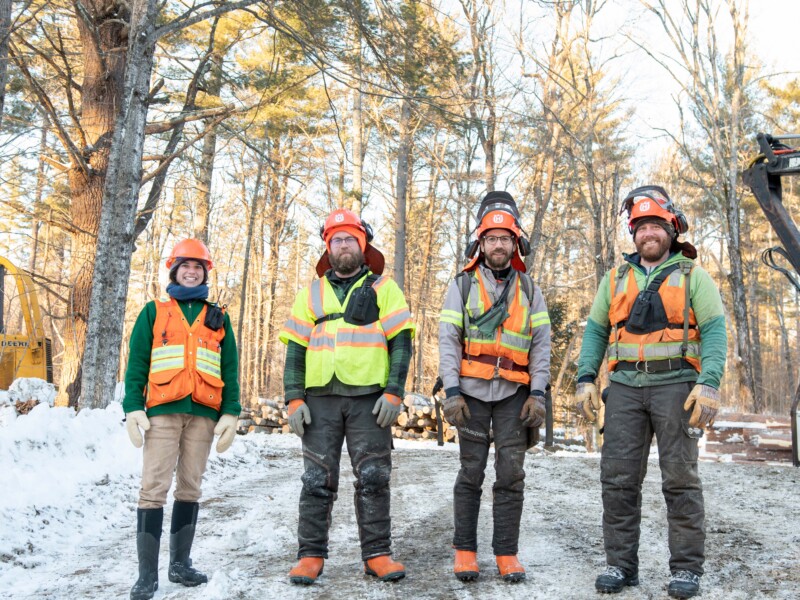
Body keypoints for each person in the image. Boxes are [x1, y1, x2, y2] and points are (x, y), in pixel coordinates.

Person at [574, 186, 727, 599]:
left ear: (671, 230)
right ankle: (621, 565)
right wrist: (586, 378)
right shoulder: (615, 279)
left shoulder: (694, 276)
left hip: (677, 385)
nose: (649, 234)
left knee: (680, 479)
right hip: (623, 388)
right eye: (641, 227)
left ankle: (687, 570)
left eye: (656, 226)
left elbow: (714, 331)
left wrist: (709, 382)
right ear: (633, 234)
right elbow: (595, 331)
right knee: (618, 480)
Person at [279, 208, 415, 585]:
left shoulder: (383, 288)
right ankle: (310, 556)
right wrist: (293, 398)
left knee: (374, 476)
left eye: (349, 240)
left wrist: (394, 393)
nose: (343, 246)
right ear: (328, 247)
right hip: (319, 399)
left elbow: (402, 342)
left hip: (369, 399)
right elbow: (294, 348)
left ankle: (378, 554)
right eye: (336, 240)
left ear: (362, 244)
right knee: (315, 480)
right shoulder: (311, 293)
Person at [438, 190, 551, 583]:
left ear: (514, 242)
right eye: (491, 238)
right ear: (480, 244)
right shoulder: (463, 286)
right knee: (471, 471)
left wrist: (538, 393)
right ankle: (465, 550)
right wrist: (451, 392)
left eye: (505, 238)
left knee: (511, 474)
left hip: (514, 396)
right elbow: (448, 339)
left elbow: (541, 346)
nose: (498, 245)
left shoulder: (531, 291)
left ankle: (507, 553)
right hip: (470, 393)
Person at [123, 239, 240, 600]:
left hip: (203, 417)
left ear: (206, 272)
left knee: (190, 488)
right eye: (185, 265)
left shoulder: (217, 316)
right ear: (174, 270)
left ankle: (180, 564)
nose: (192, 271)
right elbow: (137, 361)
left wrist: (231, 413)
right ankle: (147, 576)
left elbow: (230, 368)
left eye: (199, 266)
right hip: (162, 413)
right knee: (153, 489)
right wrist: (132, 406)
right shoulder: (153, 311)